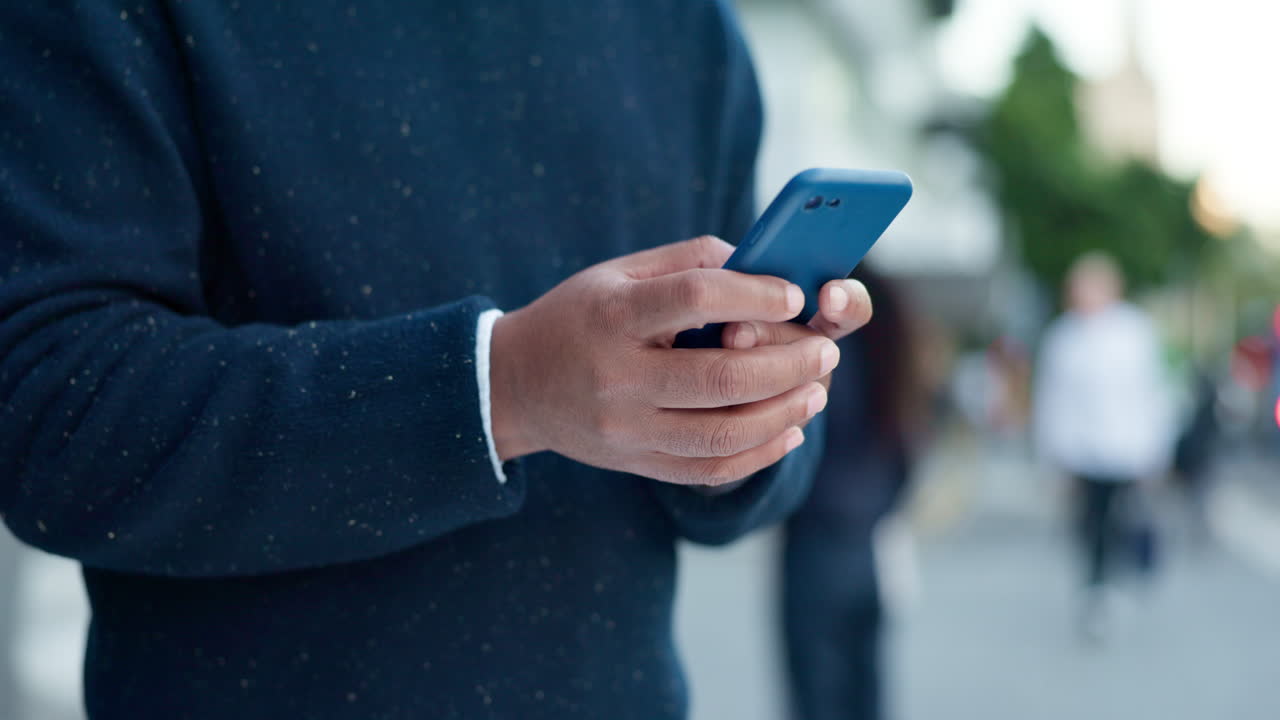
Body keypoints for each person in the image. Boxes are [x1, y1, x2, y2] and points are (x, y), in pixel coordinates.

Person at [0, 3, 876, 718]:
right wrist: (501, 388)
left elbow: (756, 484)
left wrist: (749, 408)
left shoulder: (687, 25)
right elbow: (47, 414)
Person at [782, 267, 919, 720]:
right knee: (866, 685)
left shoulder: (817, 336)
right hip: (869, 535)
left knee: (818, 691)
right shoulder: (890, 317)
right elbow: (907, 443)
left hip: (816, 535)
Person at [1034, 253, 1174, 641]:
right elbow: (1052, 401)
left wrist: (1156, 451)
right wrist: (1051, 458)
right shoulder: (1063, 338)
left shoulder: (1135, 332)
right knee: (1089, 524)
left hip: (1127, 449)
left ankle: (1116, 582)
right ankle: (1094, 588)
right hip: (1081, 452)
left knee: (1123, 521)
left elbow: (1153, 394)